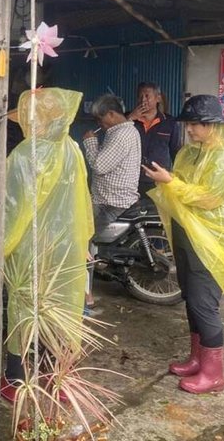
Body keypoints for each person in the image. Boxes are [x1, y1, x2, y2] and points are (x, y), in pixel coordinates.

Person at [143, 95, 224, 394]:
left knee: (203, 302)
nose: (189, 130)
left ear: (213, 125)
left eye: (195, 125)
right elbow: (183, 187)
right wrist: (171, 182)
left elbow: (209, 198)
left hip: (211, 239)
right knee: (190, 297)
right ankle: (198, 358)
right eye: (188, 124)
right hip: (189, 232)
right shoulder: (191, 152)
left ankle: (214, 375)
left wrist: (170, 181)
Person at [1, 88, 94, 402]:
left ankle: (18, 379)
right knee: (62, 308)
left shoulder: (25, 156)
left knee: (25, 309)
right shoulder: (74, 149)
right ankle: (61, 378)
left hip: (30, 248)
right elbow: (83, 202)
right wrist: (82, 243)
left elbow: (12, 212)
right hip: (66, 246)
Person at [83, 94, 141, 308]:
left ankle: (86, 294)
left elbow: (99, 165)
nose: (99, 124)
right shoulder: (122, 131)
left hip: (110, 201)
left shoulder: (121, 134)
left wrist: (90, 142)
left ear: (112, 114)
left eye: (100, 119)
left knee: (83, 241)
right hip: (113, 196)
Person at [127, 82, 181, 195]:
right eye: (140, 96)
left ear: (158, 98)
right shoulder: (128, 119)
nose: (143, 100)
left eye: (147, 96)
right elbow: (116, 139)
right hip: (131, 179)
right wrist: (130, 118)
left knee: (157, 211)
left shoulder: (170, 122)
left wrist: (177, 178)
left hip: (158, 180)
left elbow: (176, 151)